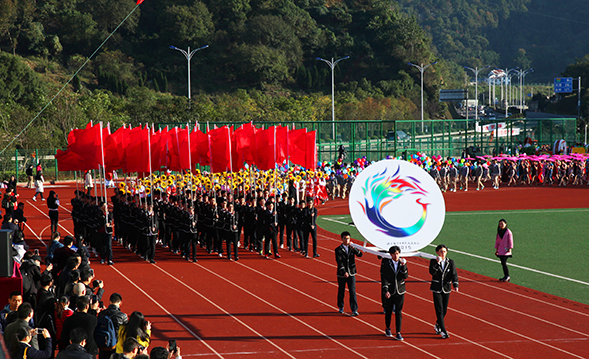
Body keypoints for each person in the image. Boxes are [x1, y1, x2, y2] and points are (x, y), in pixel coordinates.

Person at [429, 244, 459, 339]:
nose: (443, 253)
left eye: (444, 251)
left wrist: (455, 284)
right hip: (436, 288)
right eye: (441, 251)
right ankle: (443, 331)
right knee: (439, 310)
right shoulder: (433, 261)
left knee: (444, 310)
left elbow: (454, 274)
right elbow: (432, 272)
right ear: (437, 252)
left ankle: (438, 324)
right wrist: (437, 264)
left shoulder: (450, 262)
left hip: (446, 288)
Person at [380, 246, 407, 341]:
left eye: (398, 253)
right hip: (390, 291)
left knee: (399, 311)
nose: (396, 255)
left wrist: (403, 266)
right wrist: (386, 290)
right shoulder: (386, 264)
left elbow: (405, 276)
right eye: (394, 254)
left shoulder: (402, 263)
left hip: (400, 291)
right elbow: (384, 278)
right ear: (391, 255)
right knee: (388, 310)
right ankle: (388, 327)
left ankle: (398, 332)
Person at [335, 231, 363, 316]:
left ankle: (354, 309)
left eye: (348, 238)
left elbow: (360, 254)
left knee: (352, 291)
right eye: (345, 238)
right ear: (342, 239)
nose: (346, 240)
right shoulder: (338, 249)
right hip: (342, 274)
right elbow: (339, 262)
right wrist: (344, 272)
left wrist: (354, 248)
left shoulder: (352, 248)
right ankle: (341, 306)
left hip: (351, 272)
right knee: (341, 290)